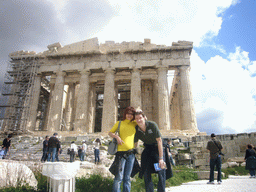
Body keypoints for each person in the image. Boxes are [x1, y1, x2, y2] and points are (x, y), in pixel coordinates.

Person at [134, 110, 172, 192]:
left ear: (144, 118)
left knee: (161, 171)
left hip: (158, 147)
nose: (138, 120)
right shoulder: (136, 129)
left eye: (140, 118)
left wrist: (161, 158)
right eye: (136, 118)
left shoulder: (152, 125)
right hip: (148, 148)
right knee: (146, 171)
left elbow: (159, 141)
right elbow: (135, 144)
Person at [109, 106, 138, 192]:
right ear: (125, 114)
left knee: (127, 178)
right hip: (121, 154)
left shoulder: (134, 123)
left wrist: (138, 110)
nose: (129, 115)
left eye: (132, 114)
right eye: (128, 113)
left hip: (131, 154)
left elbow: (144, 119)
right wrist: (116, 137)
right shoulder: (119, 123)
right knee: (119, 177)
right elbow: (110, 132)